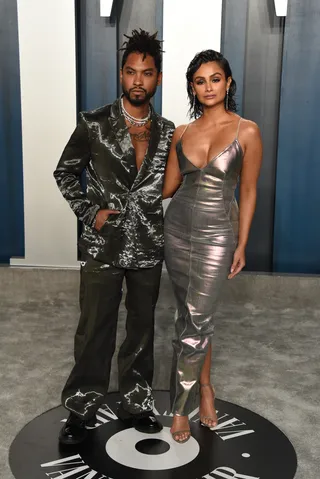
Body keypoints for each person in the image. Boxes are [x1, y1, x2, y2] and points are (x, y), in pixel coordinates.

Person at [54, 29, 175, 445]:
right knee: (95, 329)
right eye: (131, 72)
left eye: (147, 73)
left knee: (142, 329)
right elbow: (64, 171)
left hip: (148, 246)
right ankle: (81, 407)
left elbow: (169, 183)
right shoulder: (94, 123)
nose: (138, 80)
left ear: (159, 77)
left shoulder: (167, 130)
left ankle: (137, 403)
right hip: (103, 246)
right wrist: (91, 213)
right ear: (121, 75)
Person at [163, 49, 263, 443]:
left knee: (197, 320)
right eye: (200, 80)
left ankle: (180, 407)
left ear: (228, 82)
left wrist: (242, 242)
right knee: (189, 318)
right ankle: (206, 388)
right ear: (192, 86)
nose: (208, 87)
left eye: (215, 78)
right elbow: (169, 187)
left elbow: (250, 189)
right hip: (177, 230)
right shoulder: (182, 133)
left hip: (219, 233)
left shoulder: (247, 130)